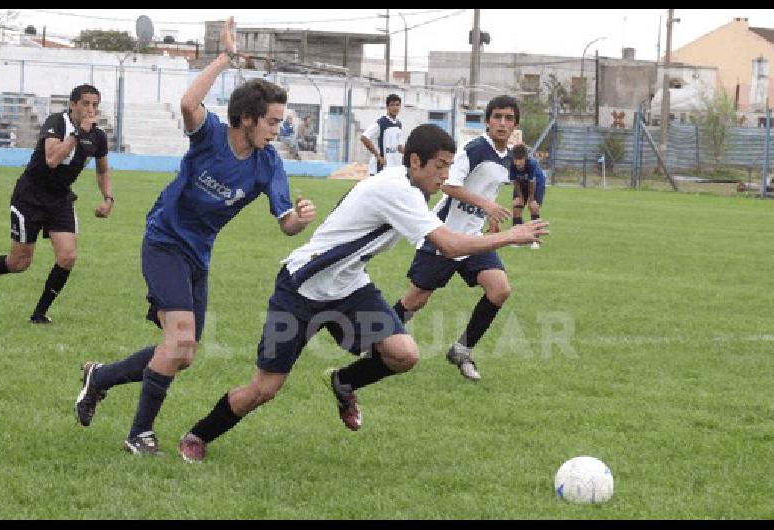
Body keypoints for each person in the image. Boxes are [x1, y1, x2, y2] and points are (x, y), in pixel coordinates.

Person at [175, 123, 548, 463]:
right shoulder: (396, 189)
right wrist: (511, 235)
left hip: (349, 286)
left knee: (404, 354)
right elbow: (449, 245)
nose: (445, 176)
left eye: (449, 166)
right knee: (265, 388)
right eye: (439, 166)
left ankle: (344, 382)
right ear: (415, 161)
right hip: (302, 288)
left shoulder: (407, 186)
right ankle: (198, 434)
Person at [74, 17, 317, 455]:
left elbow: (285, 223)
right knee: (180, 341)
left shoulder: (269, 164)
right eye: (273, 121)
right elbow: (188, 102)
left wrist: (300, 220)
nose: (278, 129)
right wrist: (224, 57)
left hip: (198, 256)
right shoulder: (210, 136)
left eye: (281, 122)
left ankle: (102, 377)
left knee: (182, 353)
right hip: (164, 240)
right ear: (246, 118)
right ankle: (138, 435)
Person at [391, 95, 520, 382]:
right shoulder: (475, 149)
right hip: (444, 235)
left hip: (472, 238)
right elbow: (448, 185)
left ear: (515, 125)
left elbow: (486, 190)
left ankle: (461, 350)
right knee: (416, 300)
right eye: (497, 116)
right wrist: (485, 205)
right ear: (487, 121)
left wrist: (489, 215)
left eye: (508, 118)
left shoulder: (507, 158)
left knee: (499, 290)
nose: (502, 122)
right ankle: (377, 339)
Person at [0, 84, 113, 322]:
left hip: (60, 199)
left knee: (68, 256)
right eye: (86, 104)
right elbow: (51, 159)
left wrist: (108, 198)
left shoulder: (97, 136)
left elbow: (102, 171)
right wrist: (78, 133)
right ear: (73, 104)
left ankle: (39, 315)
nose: (91, 109)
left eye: (95, 105)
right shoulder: (57, 123)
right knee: (20, 262)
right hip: (30, 197)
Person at [510, 142, 547, 250]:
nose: (517, 162)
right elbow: (515, 181)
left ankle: (535, 240)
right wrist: (520, 197)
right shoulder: (512, 164)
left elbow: (532, 183)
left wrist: (531, 199)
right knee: (516, 207)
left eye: (520, 159)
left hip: (537, 185)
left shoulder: (532, 164)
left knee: (533, 208)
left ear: (525, 158)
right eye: (516, 159)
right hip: (521, 185)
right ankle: (518, 239)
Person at [361, 93, 404, 176]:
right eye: (392, 105)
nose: (395, 107)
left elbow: (399, 146)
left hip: (393, 168)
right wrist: (378, 156)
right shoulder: (381, 122)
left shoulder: (398, 124)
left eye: (397, 105)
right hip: (380, 168)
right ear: (387, 107)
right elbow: (364, 137)